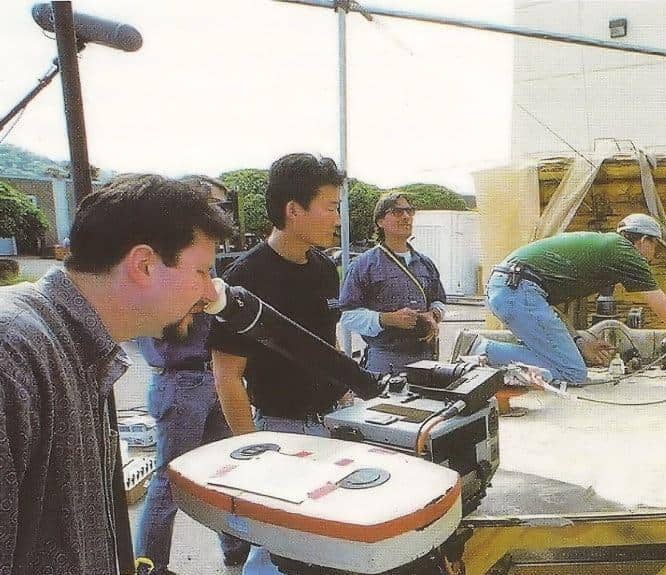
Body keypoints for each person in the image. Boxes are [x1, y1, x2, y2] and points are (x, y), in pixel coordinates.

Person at [0, 174, 234, 574]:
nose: (210, 294)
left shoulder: (73, 347)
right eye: (200, 271)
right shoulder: (13, 354)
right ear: (144, 265)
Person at [208, 153, 381, 575]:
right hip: (281, 430)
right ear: (293, 210)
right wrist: (253, 452)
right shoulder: (246, 277)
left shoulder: (324, 269)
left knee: (324, 543)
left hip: (334, 423)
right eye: (330, 207)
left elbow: (326, 344)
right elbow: (227, 377)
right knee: (274, 548)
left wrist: (346, 398)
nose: (337, 219)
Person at [133, 176, 250, 574]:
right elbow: (159, 329)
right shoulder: (166, 261)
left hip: (211, 378)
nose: (221, 214)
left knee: (226, 472)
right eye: (214, 205)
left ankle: (236, 551)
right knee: (170, 482)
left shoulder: (200, 259)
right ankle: (150, 567)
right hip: (181, 380)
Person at [473, 213, 666, 386]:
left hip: (508, 289)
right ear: (644, 240)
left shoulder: (607, 248)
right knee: (572, 373)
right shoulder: (624, 252)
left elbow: (549, 306)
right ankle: (482, 350)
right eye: (655, 246)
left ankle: (488, 353)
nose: (654, 255)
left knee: (557, 363)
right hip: (518, 291)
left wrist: (579, 341)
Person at [339, 192, 447, 373]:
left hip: (426, 358)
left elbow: (439, 300)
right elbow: (347, 316)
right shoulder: (363, 265)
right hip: (385, 359)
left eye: (409, 211)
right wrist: (386, 319)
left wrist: (433, 314)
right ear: (380, 221)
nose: (406, 216)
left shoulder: (425, 263)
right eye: (397, 212)